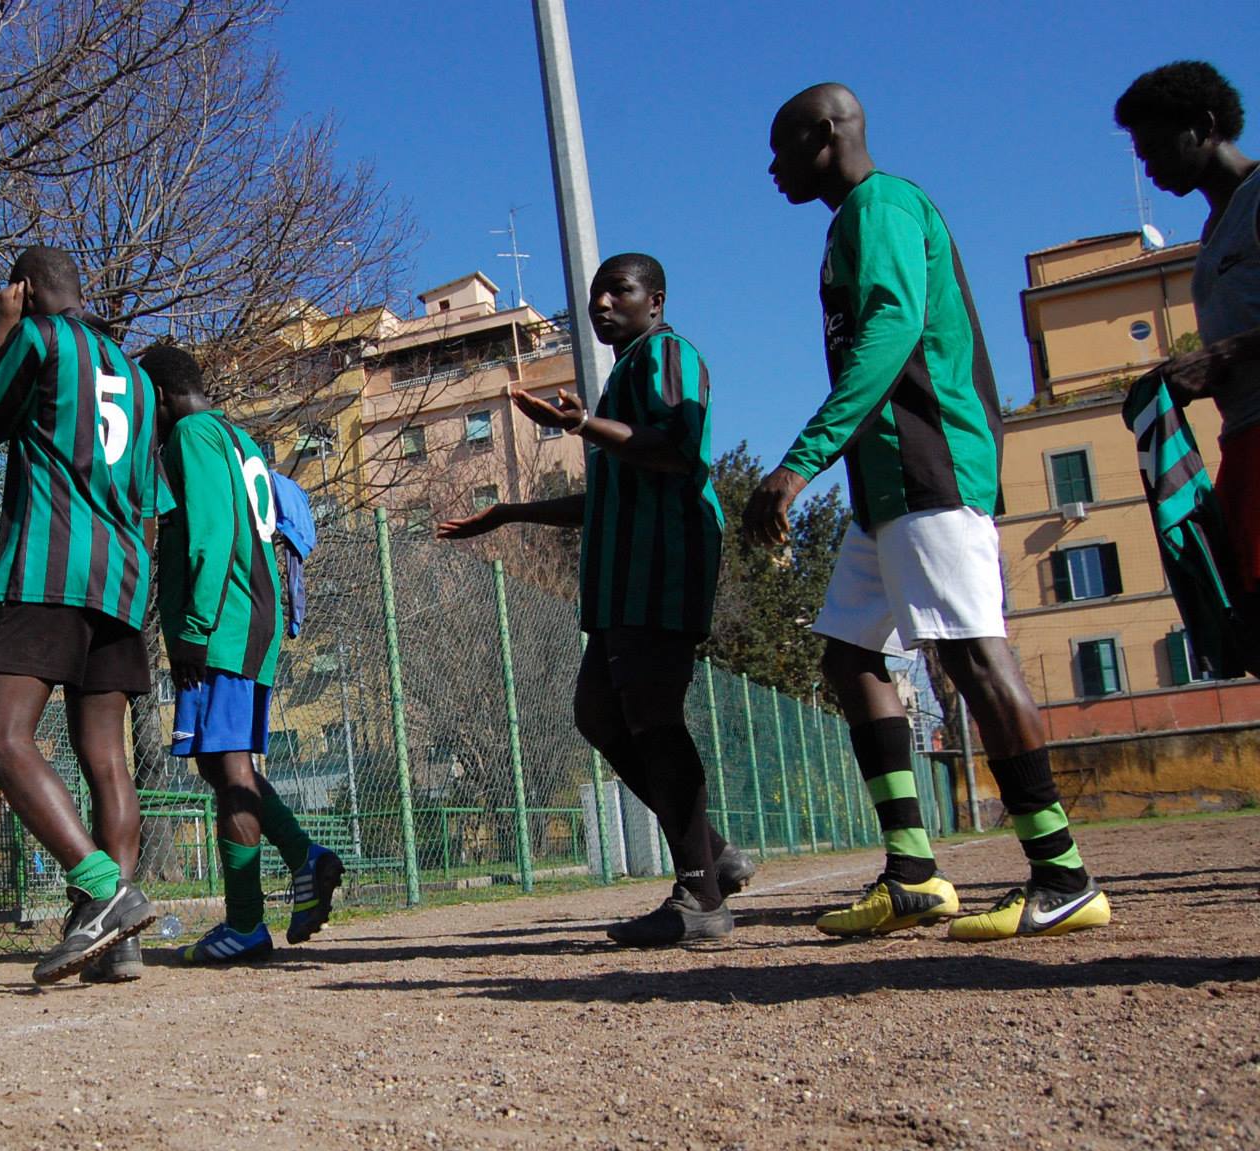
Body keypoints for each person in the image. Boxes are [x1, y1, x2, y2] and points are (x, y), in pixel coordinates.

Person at [747, 83, 1107, 941]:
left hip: (930, 464)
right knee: (848, 652)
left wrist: (798, 465)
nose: (772, 168)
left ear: (826, 135)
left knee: (973, 655)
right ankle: (913, 873)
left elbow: (893, 327)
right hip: (886, 490)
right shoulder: (852, 222)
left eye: (783, 147)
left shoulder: (883, 205)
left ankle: (1063, 874)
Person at [440, 254, 754, 945]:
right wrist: (510, 514)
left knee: (654, 719)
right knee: (597, 714)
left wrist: (580, 427)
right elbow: (609, 497)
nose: (603, 303)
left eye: (620, 290)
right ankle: (715, 853)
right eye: (595, 294)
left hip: (662, 566)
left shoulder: (667, 354)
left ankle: (700, 895)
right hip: (619, 581)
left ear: (657, 300)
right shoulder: (620, 383)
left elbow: (677, 451)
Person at [0, 246, 171, 985]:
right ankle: (118, 942)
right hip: (122, 583)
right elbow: (155, 501)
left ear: (24, 289)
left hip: (49, 568)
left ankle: (103, 893)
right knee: (107, 759)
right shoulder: (141, 381)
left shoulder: (42, 339)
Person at [136, 343, 344, 964]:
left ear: (163, 396)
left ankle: (248, 923)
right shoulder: (239, 438)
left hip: (222, 624)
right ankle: (305, 857)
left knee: (227, 769)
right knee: (220, 764)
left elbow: (210, 533)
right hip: (251, 618)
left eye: (148, 404)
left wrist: (193, 629)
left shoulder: (192, 436)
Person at [1116, 61, 1260, 609]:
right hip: (1242, 440)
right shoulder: (1215, 226)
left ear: (1202, 126)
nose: (1146, 165)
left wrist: (1224, 354)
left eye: (1152, 147)